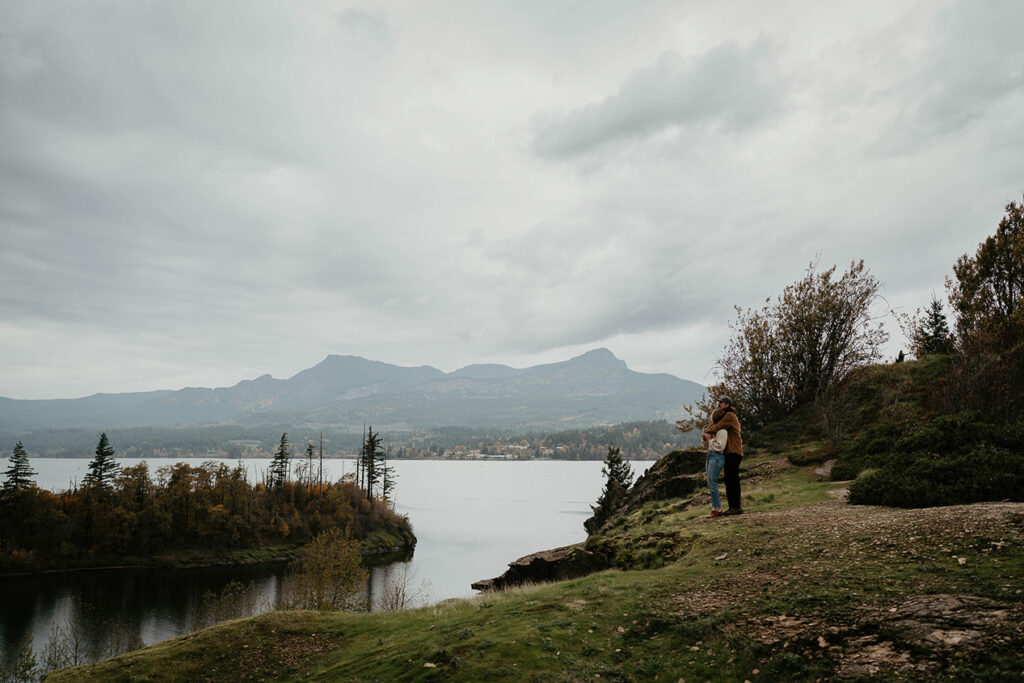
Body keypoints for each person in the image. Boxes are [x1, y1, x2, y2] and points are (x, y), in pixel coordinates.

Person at [703, 396, 743, 515]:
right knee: (730, 479)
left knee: (732, 480)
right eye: (718, 402)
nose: (718, 403)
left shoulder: (730, 416)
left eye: (721, 402)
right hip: (730, 452)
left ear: (727, 404)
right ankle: (733, 506)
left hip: (733, 451)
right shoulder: (727, 416)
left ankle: (735, 507)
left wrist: (707, 432)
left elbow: (717, 426)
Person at [702, 407, 726, 518]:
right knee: (710, 482)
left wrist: (709, 440)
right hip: (711, 455)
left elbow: (720, 447)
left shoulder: (722, 431)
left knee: (712, 483)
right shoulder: (716, 430)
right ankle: (715, 508)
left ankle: (718, 508)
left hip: (716, 457)